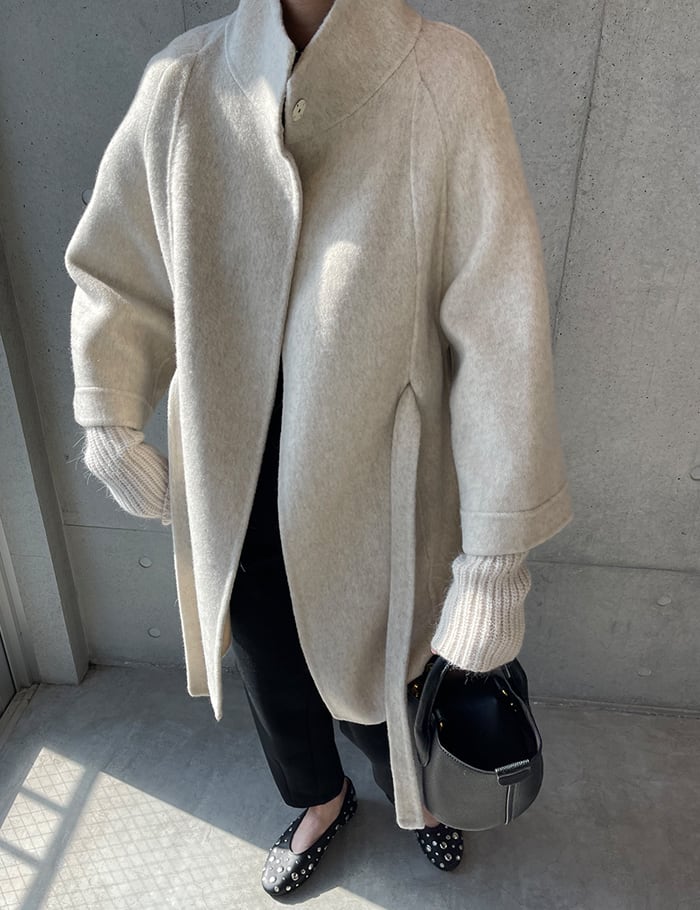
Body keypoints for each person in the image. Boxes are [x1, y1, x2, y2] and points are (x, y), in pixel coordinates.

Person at [65, 0, 573, 897]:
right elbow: (122, 265)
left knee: (391, 664)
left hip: (379, 471)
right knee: (270, 662)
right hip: (232, 466)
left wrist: (496, 559)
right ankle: (317, 798)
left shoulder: (444, 77)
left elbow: (499, 320)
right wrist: (108, 412)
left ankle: (420, 795)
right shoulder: (184, 81)